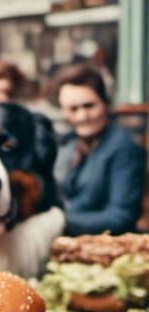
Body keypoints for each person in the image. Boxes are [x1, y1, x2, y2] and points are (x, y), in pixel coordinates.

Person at [53, 63, 145, 234]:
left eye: (89, 106)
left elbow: (121, 217)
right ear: (63, 112)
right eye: (73, 109)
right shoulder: (67, 142)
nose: (82, 116)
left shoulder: (124, 147)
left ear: (105, 104)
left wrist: (58, 221)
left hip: (106, 243)